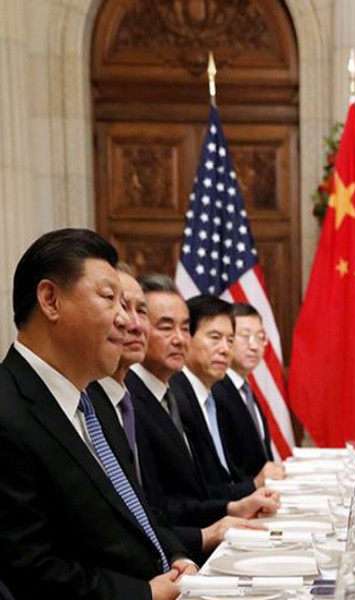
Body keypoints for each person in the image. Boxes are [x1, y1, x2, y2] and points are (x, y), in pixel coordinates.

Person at [0, 228, 193, 600]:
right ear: (50, 300)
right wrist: (144, 594)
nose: (128, 321)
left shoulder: (95, 402)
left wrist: (176, 554)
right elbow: (28, 570)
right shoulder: (9, 410)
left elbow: (137, 506)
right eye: (110, 299)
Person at [90, 269, 264, 561]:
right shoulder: (120, 398)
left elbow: (188, 492)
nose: (180, 339)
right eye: (166, 327)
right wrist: (206, 532)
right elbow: (147, 506)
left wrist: (230, 508)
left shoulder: (172, 394)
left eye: (185, 328)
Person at [169, 295, 284, 494]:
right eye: (215, 338)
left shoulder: (209, 394)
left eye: (230, 340)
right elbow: (193, 492)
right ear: (188, 337)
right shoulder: (176, 396)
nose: (225, 349)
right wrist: (252, 487)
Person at [212, 303, 275, 481]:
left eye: (260, 337)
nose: (254, 346)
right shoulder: (216, 390)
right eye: (245, 336)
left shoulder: (245, 388)